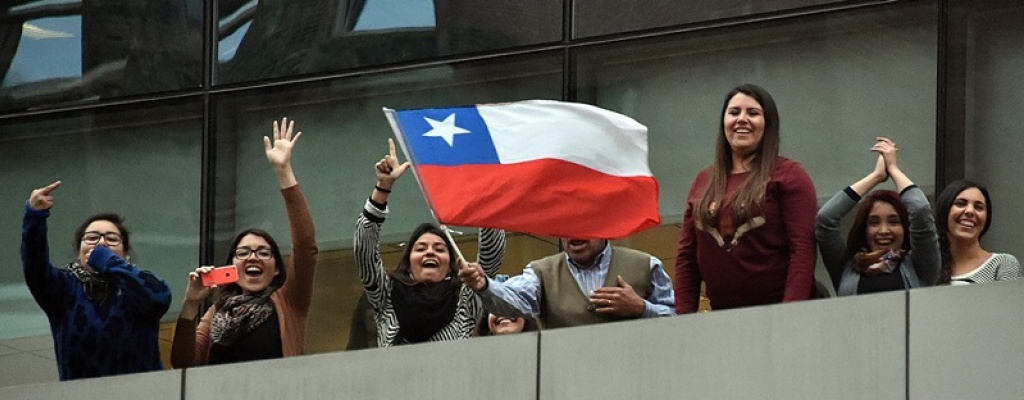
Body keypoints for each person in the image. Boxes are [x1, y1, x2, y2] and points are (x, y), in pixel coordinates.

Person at [171, 117, 318, 366]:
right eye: (243, 252)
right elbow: (183, 363)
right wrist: (190, 305)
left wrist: (284, 172)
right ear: (232, 265)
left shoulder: (289, 301)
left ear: (276, 269)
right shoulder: (217, 313)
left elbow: (305, 246)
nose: (253, 257)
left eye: (263, 252)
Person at [675, 84, 817, 313]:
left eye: (753, 113)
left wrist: (790, 315)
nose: (742, 119)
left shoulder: (790, 175)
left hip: (781, 315)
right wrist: (683, 320)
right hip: (723, 318)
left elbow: (802, 249)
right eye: (734, 112)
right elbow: (686, 259)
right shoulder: (703, 181)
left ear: (768, 123)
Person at [354, 139, 505, 347]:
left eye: (440, 249)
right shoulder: (386, 294)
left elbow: (491, 256)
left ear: (451, 265)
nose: (430, 252)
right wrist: (382, 188)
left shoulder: (464, 297)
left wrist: (481, 189)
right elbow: (365, 251)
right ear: (408, 263)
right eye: (421, 248)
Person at [21, 181, 172, 380]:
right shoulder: (64, 288)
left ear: (126, 254)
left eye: (112, 239)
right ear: (79, 252)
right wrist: (34, 216)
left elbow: (160, 297)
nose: (101, 243)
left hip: (141, 391)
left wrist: (108, 262)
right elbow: (35, 265)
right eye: (91, 238)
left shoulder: (137, 286)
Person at [815, 138, 939, 295]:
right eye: (874, 222)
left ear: (905, 228)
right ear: (864, 229)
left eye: (894, 222)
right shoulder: (847, 267)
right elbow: (826, 218)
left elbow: (920, 209)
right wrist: (876, 176)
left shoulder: (919, 265)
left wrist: (894, 169)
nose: (884, 230)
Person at [461, 239, 674, 329]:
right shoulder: (542, 272)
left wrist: (642, 309)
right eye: (567, 225)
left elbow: (680, 321)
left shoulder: (646, 265)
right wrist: (484, 285)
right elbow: (515, 300)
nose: (574, 232)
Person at [935, 180, 1020, 285]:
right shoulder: (928, 269)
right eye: (961, 204)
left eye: (979, 207)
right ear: (944, 211)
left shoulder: (1002, 265)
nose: (970, 211)